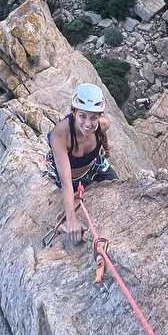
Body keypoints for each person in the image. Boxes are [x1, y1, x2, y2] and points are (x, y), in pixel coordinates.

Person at [45, 82, 117, 244]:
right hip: (73, 178)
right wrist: (71, 219)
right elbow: (65, 182)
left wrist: (106, 148)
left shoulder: (102, 125)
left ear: (100, 116)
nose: (88, 123)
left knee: (117, 187)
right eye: (82, 115)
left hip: (96, 165)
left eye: (93, 117)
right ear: (74, 112)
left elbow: (102, 134)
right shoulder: (61, 135)